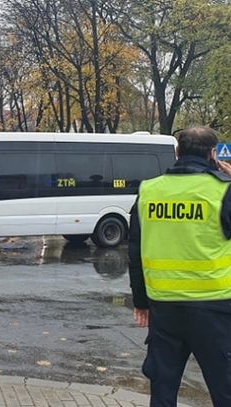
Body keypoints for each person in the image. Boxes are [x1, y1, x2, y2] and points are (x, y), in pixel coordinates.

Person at [129, 126, 231, 406]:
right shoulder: (224, 190)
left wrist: (140, 302)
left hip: (164, 309)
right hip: (215, 309)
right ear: (213, 153)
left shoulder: (149, 190)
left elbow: (135, 250)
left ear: (177, 152)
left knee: (162, 393)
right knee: (225, 391)